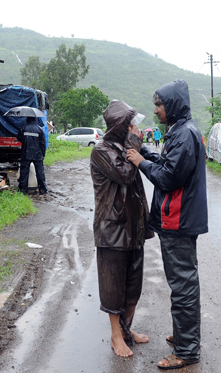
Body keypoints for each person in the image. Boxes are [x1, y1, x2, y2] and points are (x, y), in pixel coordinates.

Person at [126, 80, 208, 370]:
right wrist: (147, 154)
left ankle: (186, 350)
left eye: (160, 104)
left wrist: (139, 162)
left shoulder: (184, 134)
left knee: (183, 285)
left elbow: (167, 178)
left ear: (172, 105)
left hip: (178, 221)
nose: (156, 110)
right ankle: (186, 336)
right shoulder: (183, 131)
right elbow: (167, 162)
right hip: (178, 220)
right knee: (184, 283)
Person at [91, 100, 153, 357]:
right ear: (119, 125)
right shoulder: (102, 150)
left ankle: (127, 330)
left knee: (132, 286)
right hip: (112, 231)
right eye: (130, 123)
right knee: (113, 287)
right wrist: (134, 144)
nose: (134, 127)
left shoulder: (124, 146)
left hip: (133, 228)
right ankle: (116, 336)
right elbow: (126, 175)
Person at [16, 116, 47, 195]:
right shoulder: (40, 129)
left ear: (27, 119)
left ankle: (23, 190)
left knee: (24, 172)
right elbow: (43, 143)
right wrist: (43, 154)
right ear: (35, 120)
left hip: (26, 153)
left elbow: (19, 138)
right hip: (37, 154)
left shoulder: (23, 128)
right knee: (40, 173)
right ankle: (42, 190)